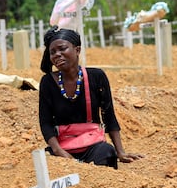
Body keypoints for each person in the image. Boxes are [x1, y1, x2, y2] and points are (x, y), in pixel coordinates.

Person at [39, 25, 144, 169]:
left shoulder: (96, 77)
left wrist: (120, 152)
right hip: (62, 148)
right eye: (53, 52)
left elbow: (109, 115)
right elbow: (45, 123)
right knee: (45, 164)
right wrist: (59, 151)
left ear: (77, 50)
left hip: (93, 147)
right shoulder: (47, 82)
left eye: (62, 48)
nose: (57, 54)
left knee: (107, 152)